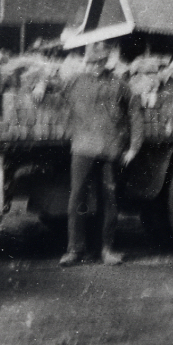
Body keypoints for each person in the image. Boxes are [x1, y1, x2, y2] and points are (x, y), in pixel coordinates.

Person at [59, 41, 144, 266]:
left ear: (106, 62)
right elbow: (53, 84)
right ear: (87, 62)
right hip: (82, 148)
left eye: (100, 62)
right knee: (76, 197)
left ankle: (106, 249)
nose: (96, 66)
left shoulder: (118, 84)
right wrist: (40, 85)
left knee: (109, 200)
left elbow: (136, 110)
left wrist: (134, 147)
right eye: (92, 62)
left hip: (110, 149)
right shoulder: (75, 81)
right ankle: (74, 250)